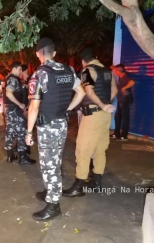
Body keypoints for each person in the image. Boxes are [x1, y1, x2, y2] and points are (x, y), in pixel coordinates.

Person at [25, 37, 86, 221]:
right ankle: (49, 190)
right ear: (54, 53)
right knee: (54, 160)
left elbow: (34, 107)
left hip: (48, 126)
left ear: (38, 54)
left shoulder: (40, 74)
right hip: (61, 124)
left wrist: (29, 132)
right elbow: (81, 92)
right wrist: (69, 108)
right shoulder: (67, 70)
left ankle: (53, 206)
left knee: (49, 164)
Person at [62, 48, 117, 198]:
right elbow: (114, 89)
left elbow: (89, 91)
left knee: (83, 150)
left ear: (83, 61)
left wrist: (101, 104)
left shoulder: (87, 70)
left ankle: (79, 186)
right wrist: (106, 104)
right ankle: (96, 182)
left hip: (93, 115)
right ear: (96, 56)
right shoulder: (107, 70)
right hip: (105, 116)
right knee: (100, 150)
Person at [4, 61, 36, 164]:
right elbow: (9, 94)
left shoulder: (10, 78)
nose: (20, 72)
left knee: (10, 132)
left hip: (11, 110)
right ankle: (22, 157)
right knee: (22, 133)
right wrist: (20, 104)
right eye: (19, 69)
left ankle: (10, 156)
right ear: (15, 68)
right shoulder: (13, 79)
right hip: (15, 111)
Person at [111, 64, 135, 141]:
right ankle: (116, 133)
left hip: (125, 100)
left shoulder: (126, 77)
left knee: (125, 118)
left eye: (115, 71)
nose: (114, 72)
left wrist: (124, 88)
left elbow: (132, 82)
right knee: (117, 117)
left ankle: (124, 135)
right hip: (121, 100)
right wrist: (114, 67)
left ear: (118, 71)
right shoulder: (121, 78)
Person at [20, 64, 32, 154]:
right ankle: (24, 147)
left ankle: (27, 148)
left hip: (29, 109)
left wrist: (27, 109)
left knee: (28, 128)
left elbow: (32, 98)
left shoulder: (31, 80)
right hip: (24, 108)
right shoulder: (23, 81)